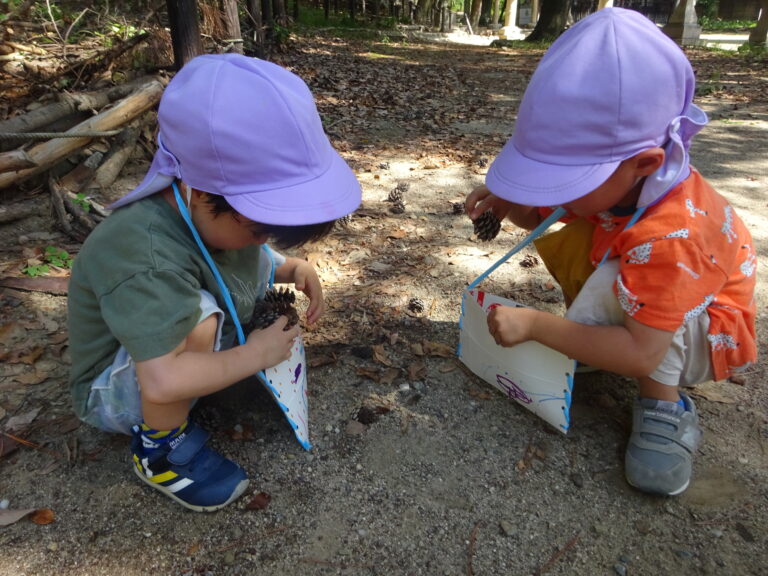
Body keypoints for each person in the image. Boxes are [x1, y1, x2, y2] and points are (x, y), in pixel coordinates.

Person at [465, 8, 756, 496]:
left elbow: (644, 354)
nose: (555, 192)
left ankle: (664, 409)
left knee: (640, 291)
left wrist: (537, 326)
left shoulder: (672, 235)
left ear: (645, 162)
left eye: (566, 180)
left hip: (703, 329)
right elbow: (542, 217)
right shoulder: (622, 184)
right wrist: (509, 200)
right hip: (646, 299)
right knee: (576, 236)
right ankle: (597, 339)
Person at [67, 54, 362, 512]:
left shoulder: (213, 214)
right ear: (200, 192)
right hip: (121, 388)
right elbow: (163, 383)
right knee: (198, 322)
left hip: (169, 361)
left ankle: (207, 374)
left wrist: (289, 266)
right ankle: (159, 452)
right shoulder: (145, 257)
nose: (262, 240)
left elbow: (247, 245)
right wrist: (256, 354)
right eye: (260, 228)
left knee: (210, 300)